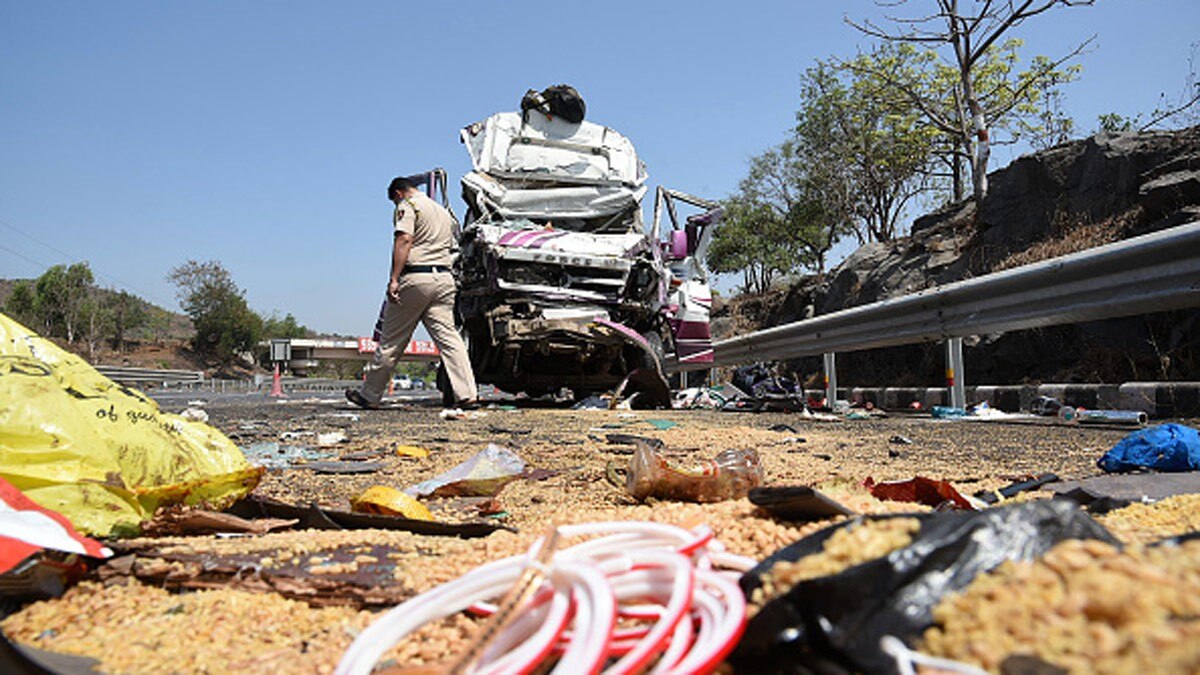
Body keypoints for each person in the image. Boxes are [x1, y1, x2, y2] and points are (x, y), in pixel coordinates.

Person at [345, 176, 478, 410]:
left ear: (398, 194)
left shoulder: (409, 206)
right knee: (450, 340)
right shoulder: (442, 211)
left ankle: (370, 395)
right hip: (444, 280)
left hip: (417, 278)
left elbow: (404, 239)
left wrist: (394, 279)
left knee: (392, 340)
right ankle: (467, 395)